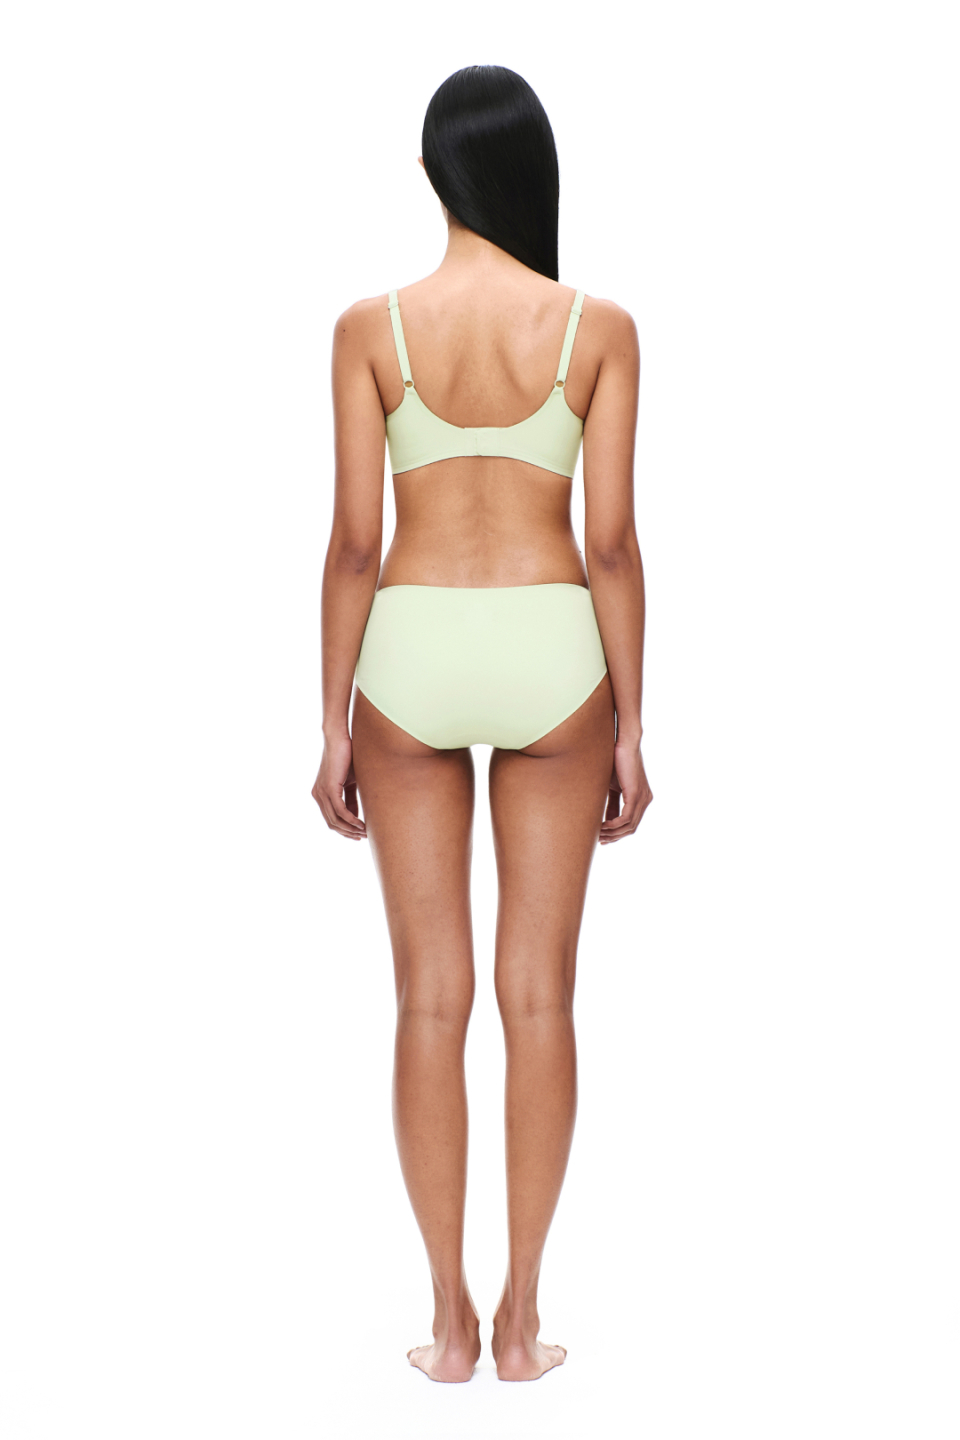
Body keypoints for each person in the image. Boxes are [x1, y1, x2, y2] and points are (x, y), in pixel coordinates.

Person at [312, 64, 652, 1383]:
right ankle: (521, 1326)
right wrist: (631, 725)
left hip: (411, 652)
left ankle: (448, 1326)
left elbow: (355, 544)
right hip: (552, 650)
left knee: (429, 998)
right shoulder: (597, 329)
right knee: (539, 996)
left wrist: (333, 723)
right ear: (531, 176)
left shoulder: (371, 330)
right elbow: (610, 543)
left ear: (432, 176)